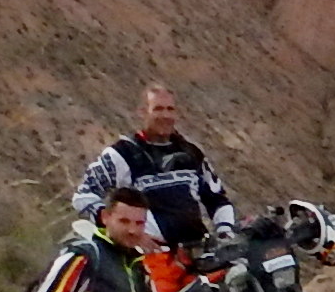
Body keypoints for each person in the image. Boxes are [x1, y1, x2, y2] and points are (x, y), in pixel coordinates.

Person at [73, 83, 235, 256]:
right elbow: (83, 196)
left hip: (197, 254)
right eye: (157, 109)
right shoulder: (122, 153)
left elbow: (217, 199)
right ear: (143, 112)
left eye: (170, 109)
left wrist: (225, 233)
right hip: (151, 258)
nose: (165, 115)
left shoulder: (191, 152)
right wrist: (130, 233)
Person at [29, 190, 181, 292]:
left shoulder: (138, 264)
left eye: (139, 223)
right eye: (124, 221)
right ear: (105, 217)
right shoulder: (83, 257)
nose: (133, 230)